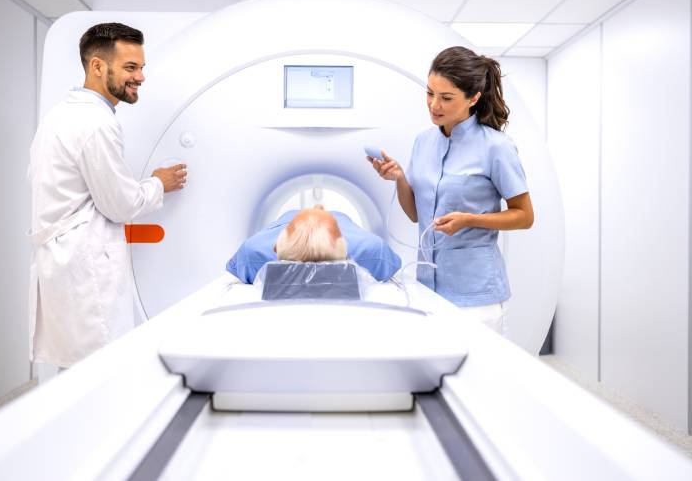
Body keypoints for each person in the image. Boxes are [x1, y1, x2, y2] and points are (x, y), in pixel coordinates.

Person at [27, 22, 187, 369]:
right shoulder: (95, 123)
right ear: (98, 66)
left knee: (76, 368)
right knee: (98, 369)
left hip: (63, 262)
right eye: (131, 67)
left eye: (141, 67)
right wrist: (159, 183)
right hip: (84, 266)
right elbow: (120, 204)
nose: (141, 77)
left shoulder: (60, 115)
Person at [368, 46, 533, 334]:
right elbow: (415, 215)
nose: (434, 105)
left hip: (475, 295)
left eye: (446, 98)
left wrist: (470, 220)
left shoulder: (496, 146)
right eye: (430, 93)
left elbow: (524, 216)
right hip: (427, 290)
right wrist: (399, 178)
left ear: (474, 98)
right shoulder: (423, 142)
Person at [226, 205, 401, 284]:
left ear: (276, 248)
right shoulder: (371, 251)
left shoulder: (253, 254)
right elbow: (393, 263)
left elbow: (236, 264)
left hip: (329, 224)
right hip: (307, 222)